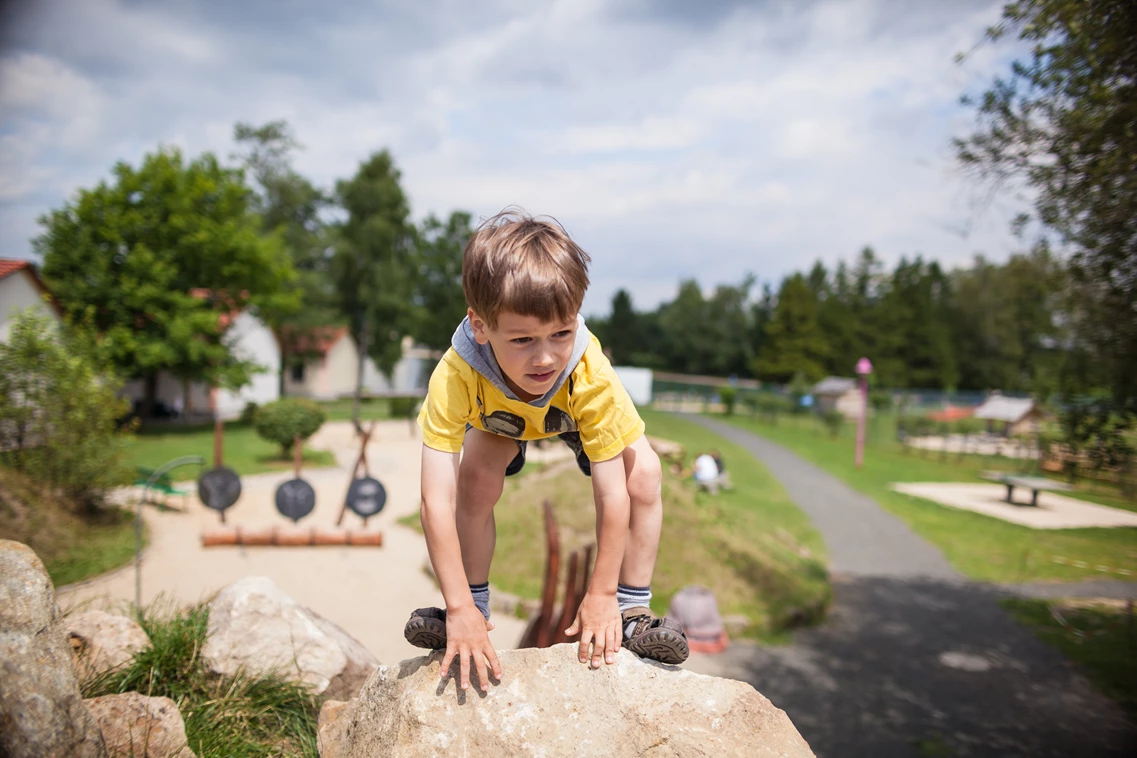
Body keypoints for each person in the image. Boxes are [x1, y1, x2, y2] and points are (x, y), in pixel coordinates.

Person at [405, 209, 689, 693]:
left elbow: (612, 494)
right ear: (480, 326)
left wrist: (600, 593)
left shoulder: (586, 370)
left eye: (561, 333)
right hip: (499, 417)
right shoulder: (455, 374)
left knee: (644, 477)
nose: (545, 357)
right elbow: (436, 498)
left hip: (573, 412)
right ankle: (475, 608)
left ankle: (632, 609)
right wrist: (456, 607)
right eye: (522, 340)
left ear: (575, 318)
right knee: (474, 483)